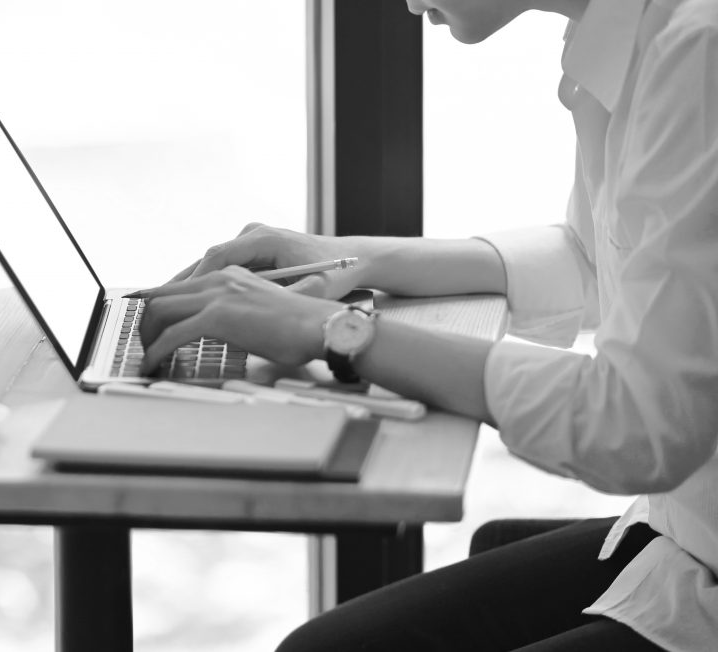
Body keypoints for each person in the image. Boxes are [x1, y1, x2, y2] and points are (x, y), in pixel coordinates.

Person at [137, 0, 718, 649]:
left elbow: (639, 425)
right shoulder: (630, 34)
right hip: (690, 524)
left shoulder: (699, 49)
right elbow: (600, 259)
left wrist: (340, 333)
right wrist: (356, 258)